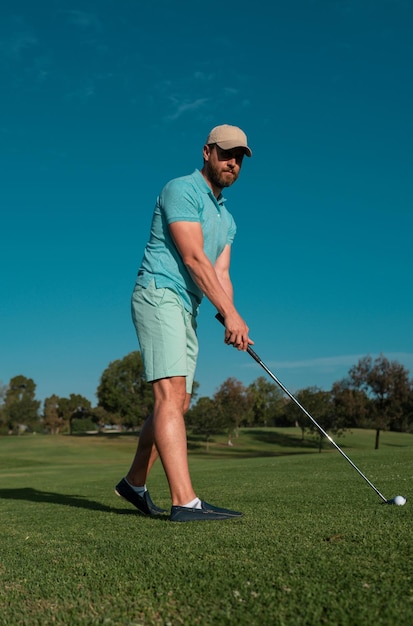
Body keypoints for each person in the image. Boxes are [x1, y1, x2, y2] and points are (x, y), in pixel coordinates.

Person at [115, 124, 253, 522]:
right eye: (226, 153)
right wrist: (228, 313)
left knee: (178, 401)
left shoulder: (227, 219)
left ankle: (134, 483)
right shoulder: (181, 189)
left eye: (239, 158)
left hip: (186, 306)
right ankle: (185, 501)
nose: (232, 163)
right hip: (159, 293)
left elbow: (220, 272)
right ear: (207, 151)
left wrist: (233, 318)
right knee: (169, 393)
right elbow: (193, 259)